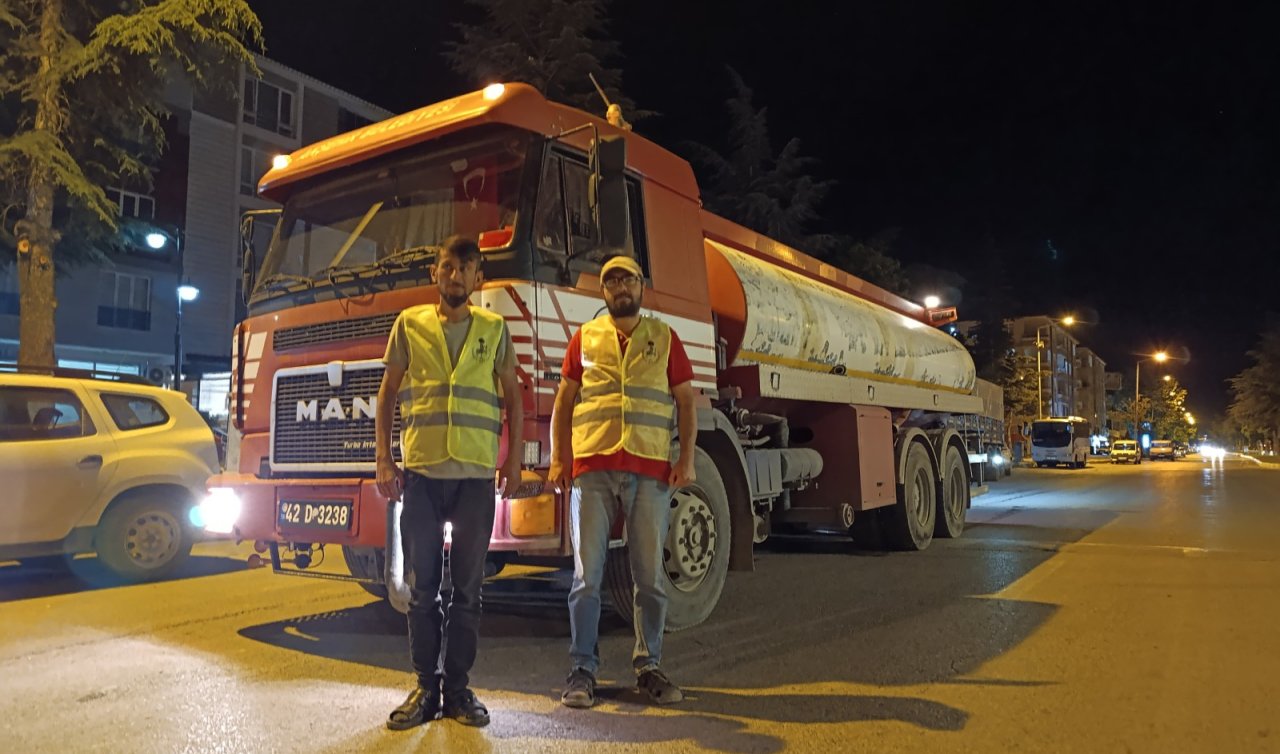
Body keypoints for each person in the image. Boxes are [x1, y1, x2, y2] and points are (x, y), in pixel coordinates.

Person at [375, 234, 523, 730]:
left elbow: (513, 398)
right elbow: (388, 391)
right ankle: (424, 687)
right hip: (421, 473)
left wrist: (515, 461)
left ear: (478, 278)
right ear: (435, 275)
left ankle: (458, 691)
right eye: (447, 267)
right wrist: (383, 458)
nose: (456, 275)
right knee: (422, 591)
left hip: (476, 477)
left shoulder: (495, 328)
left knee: (468, 591)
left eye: (465, 268)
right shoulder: (409, 324)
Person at [548, 255, 697, 708]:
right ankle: (582, 670)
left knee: (650, 578)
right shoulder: (585, 338)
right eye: (611, 281)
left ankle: (648, 667)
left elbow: (686, 402)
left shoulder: (663, 337)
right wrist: (559, 457)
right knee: (585, 579)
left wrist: (686, 457)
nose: (619, 287)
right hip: (592, 470)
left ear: (641, 286)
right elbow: (564, 401)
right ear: (604, 292)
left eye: (627, 279)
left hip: (649, 469)